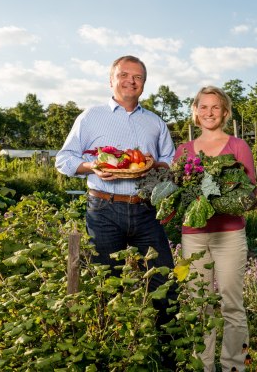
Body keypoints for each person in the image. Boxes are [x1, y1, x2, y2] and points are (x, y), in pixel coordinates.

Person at [55, 55, 177, 367]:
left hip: (145, 211)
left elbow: (171, 161)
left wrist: (157, 165)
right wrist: (90, 166)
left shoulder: (155, 122)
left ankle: (167, 355)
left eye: (138, 77)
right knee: (105, 284)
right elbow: (64, 159)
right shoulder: (90, 117)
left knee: (163, 282)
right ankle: (107, 354)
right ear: (111, 80)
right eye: (124, 75)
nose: (131, 81)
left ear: (144, 84)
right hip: (104, 210)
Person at [175, 86, 256, 372]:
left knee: (233, 305)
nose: (209, 112)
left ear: (225, 112)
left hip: (229, 235)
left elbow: (248, 194)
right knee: (198, 306)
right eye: (204, 107)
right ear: (195, 112)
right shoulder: (183, 151)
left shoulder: (238, 147)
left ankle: (235, 366)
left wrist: (216, 200)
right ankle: (203, 366)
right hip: (193, 237)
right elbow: (177, 193)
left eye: (216, 107)